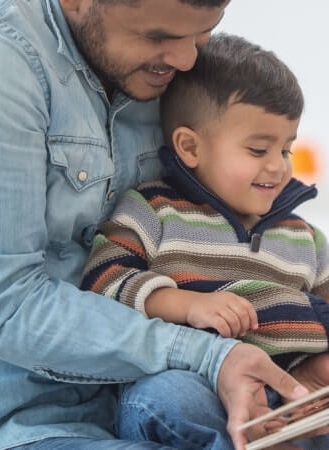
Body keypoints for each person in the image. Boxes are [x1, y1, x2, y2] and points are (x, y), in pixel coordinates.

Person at [0, 0, 319, 449]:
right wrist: (210, 356)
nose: (188, 61)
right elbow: (4, 306)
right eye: (159, 36)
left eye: (203, 34)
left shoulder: (171, 66)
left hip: (170, 389)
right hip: (37, 421)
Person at [81, 33, 329, 447]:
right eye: (257, 149)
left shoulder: (305, 236)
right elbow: (102, 279)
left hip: (293, 394)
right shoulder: (153, 209)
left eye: (286, 149)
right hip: (197, 385)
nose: (278, 167)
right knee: (165, 399)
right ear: (190, 147)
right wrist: (189, 304)